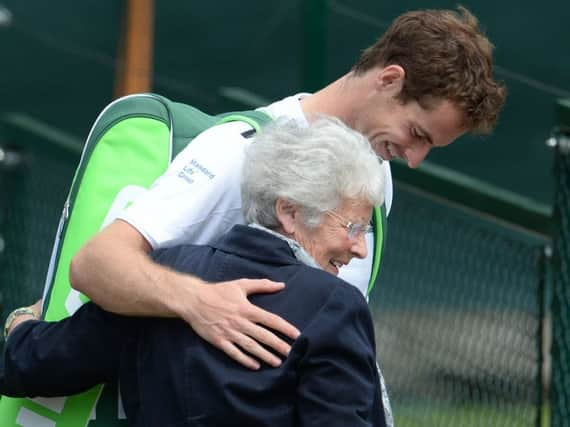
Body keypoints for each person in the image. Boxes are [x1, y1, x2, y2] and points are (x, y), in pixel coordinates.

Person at [64, 6, 506, 372]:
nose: (414, 158)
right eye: (417, 134)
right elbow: (95, 265)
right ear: (389, 79)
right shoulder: (240, 148)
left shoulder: (376, 174)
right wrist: (199, 302)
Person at [2, 117, 388, 426]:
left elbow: (36, 364)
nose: (360, 248)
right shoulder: (334, 306)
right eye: (352, 228)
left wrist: (21, 321)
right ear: (289, 212)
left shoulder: (156, 279)